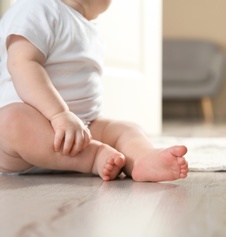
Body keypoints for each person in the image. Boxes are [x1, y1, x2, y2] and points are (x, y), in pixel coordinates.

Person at [0, 0, 189, 182]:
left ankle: (143, 158)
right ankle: (93, 156)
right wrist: (59, 114)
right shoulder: (37, 8)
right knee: (11, 121)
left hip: (82, 130)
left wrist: (74, 122)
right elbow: (22, 63)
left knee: (125, 129)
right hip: (25, 142)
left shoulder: (88, 28)